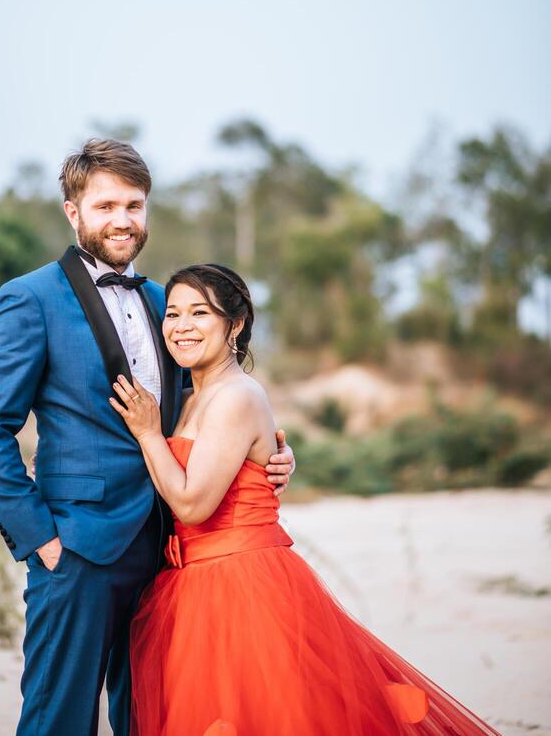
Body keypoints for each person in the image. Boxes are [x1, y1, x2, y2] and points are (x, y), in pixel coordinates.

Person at [0, 140, 294, 736]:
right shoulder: (29, 298)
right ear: (73, 212)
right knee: (58, 718)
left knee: (151, 718)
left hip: (170, 550)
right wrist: (41, 538)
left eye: (134, 206)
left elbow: (202, 410)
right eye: (106, 205)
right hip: (77, 549)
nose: (122, 220)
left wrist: (265, 454)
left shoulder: (167, 304)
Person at [111, 263, 500, 736]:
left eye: (200, 313)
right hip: (190, 582)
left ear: (235, 324)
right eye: (173, 314)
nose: (181, 326)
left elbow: (193, 506)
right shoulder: (189, 397)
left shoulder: (237, 396)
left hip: (244, 586)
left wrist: (150, 434)